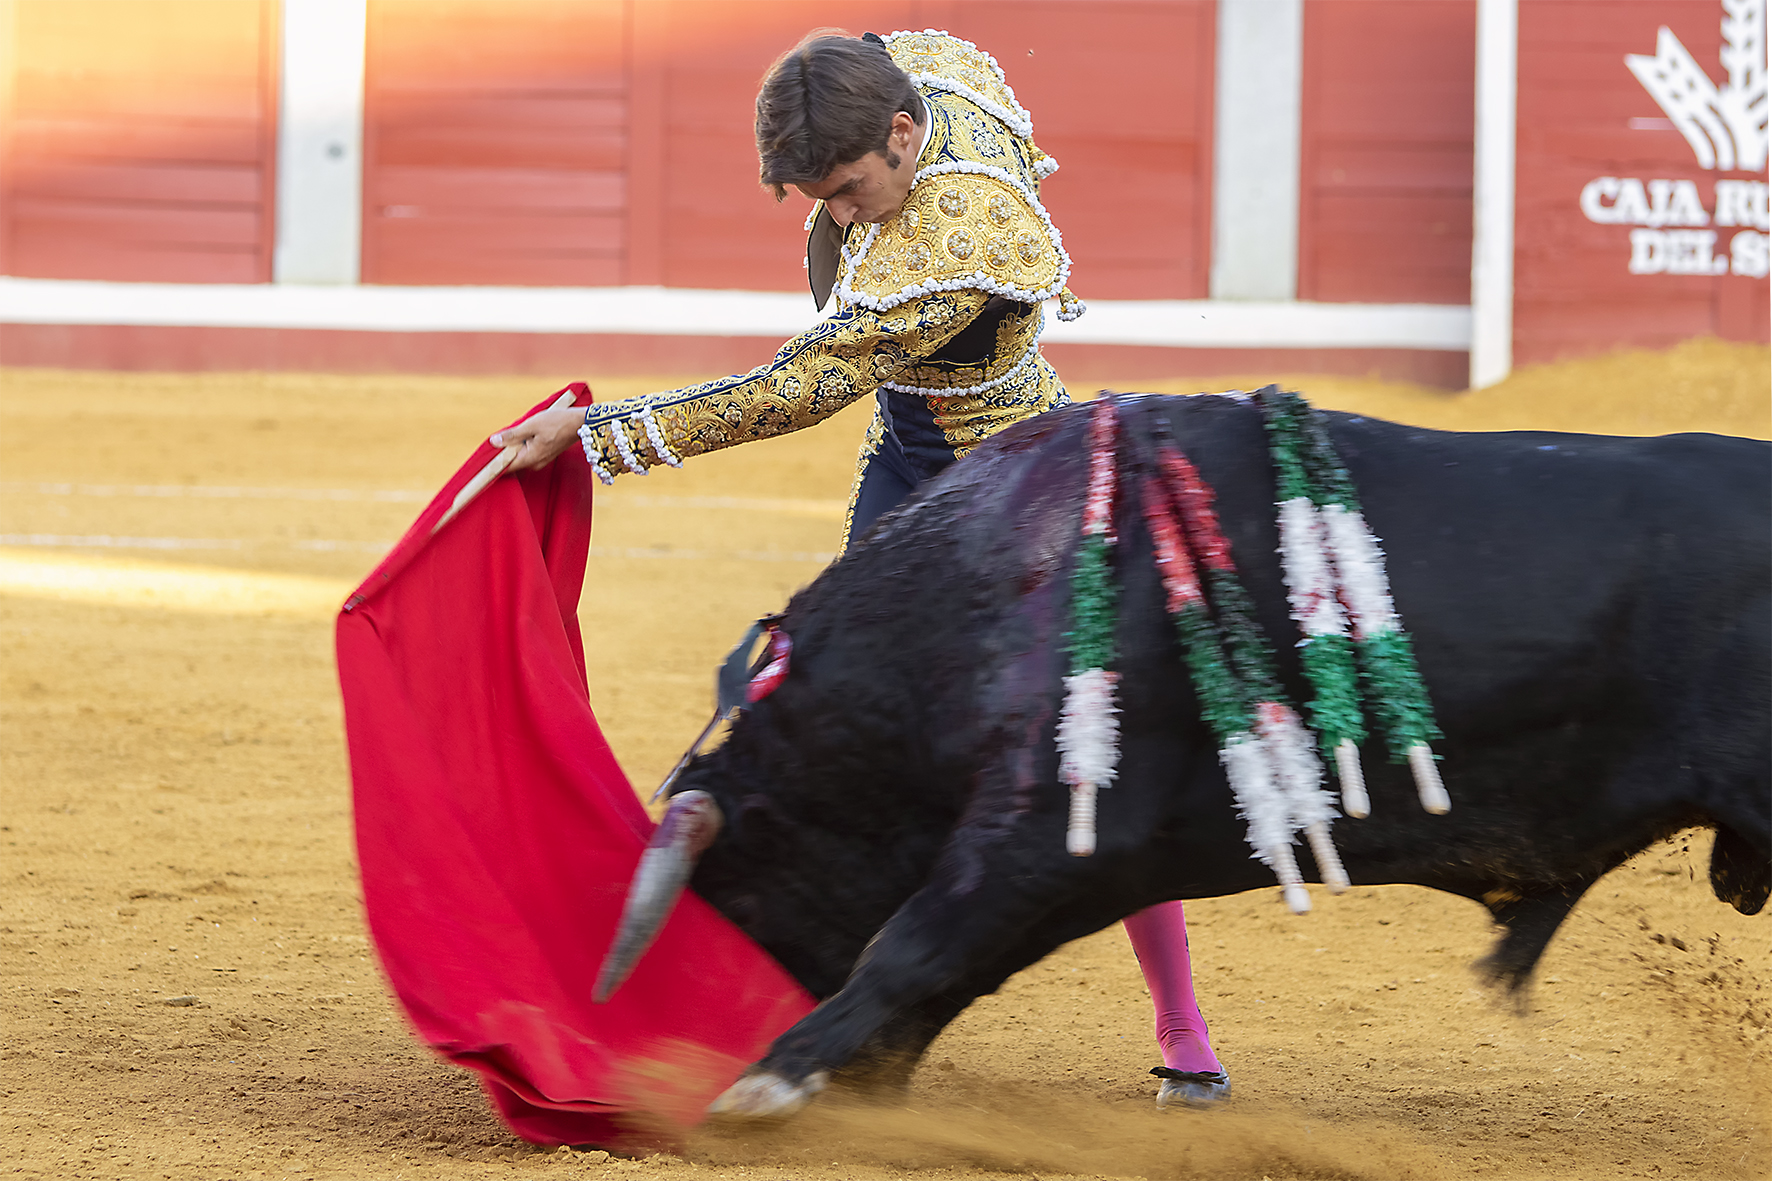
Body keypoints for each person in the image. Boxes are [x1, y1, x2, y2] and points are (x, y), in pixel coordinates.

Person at [492, 27, 1228, 1109]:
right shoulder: (926, 82)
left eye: (845, 191)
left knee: (1086, 748)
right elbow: (909, 49)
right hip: (907, 456)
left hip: (1014, 490)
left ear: (901, 136)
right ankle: (771, 934)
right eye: (816, 197)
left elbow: (787, 391)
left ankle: (1185, 1034)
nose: (837, 215)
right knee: (823, 696)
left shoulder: (956, 245)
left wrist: (599, 436)